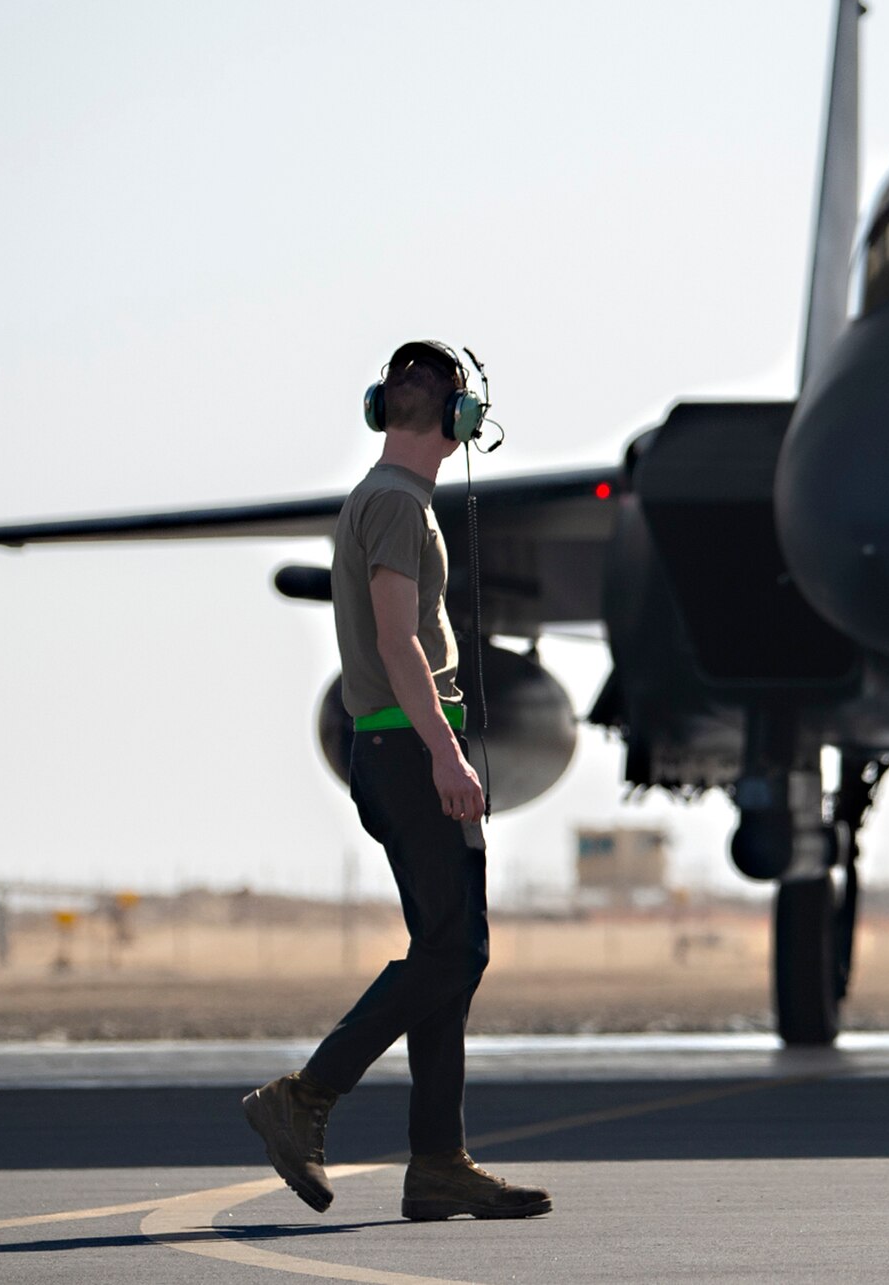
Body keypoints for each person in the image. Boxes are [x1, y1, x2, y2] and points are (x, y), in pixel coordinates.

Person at [242, 342, 550, 1222]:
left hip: (402, 745)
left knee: (452, 955)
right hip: (409, 748)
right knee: (453, 952)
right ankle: (305, 1096)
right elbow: (395, 639)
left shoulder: (394, 501)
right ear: (462, 421)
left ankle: (437, 1161)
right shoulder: (393, 505)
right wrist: (446, 755)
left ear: (385, 407)